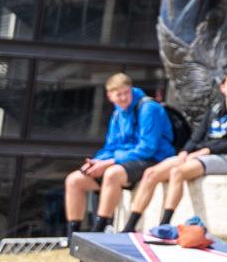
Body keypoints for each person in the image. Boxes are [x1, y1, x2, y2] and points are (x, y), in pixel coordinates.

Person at [133, 69, 227, 235]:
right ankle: (130, 225)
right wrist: (185, 151)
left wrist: (206, 150)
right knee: (151, 173)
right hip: (202, 155)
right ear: (222, 87)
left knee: (178, 172)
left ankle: (164, 225)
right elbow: (197, 135)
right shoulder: (215, 108)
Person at [67, 75, 175, 233]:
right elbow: (111, 146)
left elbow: (147, 148)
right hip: (125, 160)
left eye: (126, 93)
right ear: (110, 96)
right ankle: (72, 236)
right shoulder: (118, 112)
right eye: (119, 95)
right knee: (74, 180)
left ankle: (99, 231)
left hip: (153, 159)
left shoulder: (148, 108)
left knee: (112, 173)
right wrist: (96, 162)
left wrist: (109, 162)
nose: (124, 98)